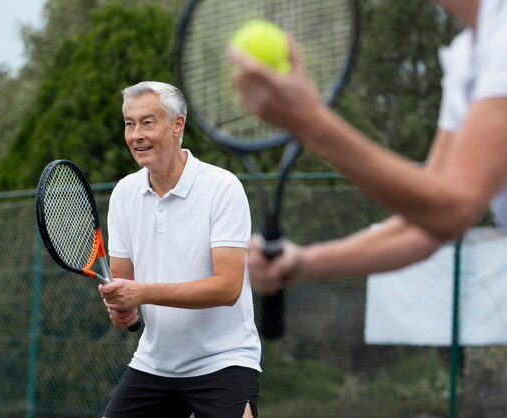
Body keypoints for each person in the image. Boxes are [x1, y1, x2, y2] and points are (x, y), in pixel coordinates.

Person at [227, 0, 507, 290]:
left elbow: (453, 210)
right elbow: (426, 223)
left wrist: (310, 122)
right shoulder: (469, 56)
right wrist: (302, 262)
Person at [98, 81, 261, 418]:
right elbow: (124, 284)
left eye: (148, 122)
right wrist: (122, 310)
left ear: (177, 125)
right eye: (130, 124)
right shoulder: (124, 194)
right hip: (154, 364)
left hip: (224, 360)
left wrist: (140, 293)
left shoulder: (222, 188)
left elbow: (228, 288)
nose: (136, 135)